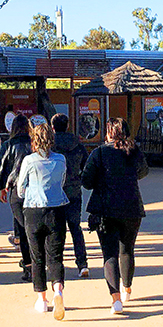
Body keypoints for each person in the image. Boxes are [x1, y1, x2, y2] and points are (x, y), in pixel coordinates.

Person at [82, 117, 148, 315]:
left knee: (109, 254)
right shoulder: (133, 151)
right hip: (131, 207)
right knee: (127, 250)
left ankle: (116, 300)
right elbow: (143, 171)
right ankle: (127, 288)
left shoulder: (99, 153)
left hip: (106, 209)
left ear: (109, 132)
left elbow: (86, 181)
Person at [17, 121, 69, 320]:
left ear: (34, 140)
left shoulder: (29, 161)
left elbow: (21, 187)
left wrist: (27, 192)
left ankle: (42, 299)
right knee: (55, 255)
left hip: (33, 211)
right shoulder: (61, 159)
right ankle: (58, 290)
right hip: (57, 210)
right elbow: (62, 181)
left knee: (36, 256)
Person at [0, 114, 32, 281]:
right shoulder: (33, 143)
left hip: (15, 190)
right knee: (34, 228)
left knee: (22, 229)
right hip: (34, 188)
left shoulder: (8, 145)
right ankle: (37, 262)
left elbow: (0, 168)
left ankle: (28, 266)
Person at [51, 113, 89, 277]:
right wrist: (79, 178)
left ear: (53, 127)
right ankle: (82, 263)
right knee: (75, 228)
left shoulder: (50, 145)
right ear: (67, 126)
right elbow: (87, 165)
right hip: (74, 189)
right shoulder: (77, 144)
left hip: (55, 191)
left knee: (56, 230)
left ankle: (56, 265)